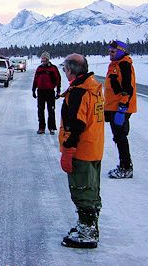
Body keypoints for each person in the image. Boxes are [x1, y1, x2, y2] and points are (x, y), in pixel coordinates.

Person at [59, 53, 104, 249]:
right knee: (92, 191)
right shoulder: (93, 87)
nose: (64, 72)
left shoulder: (79, 92)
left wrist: (68, 150)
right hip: (94, 148)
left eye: (65, 69)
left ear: (71, 70)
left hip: (81, 151)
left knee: (82, 191)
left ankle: (87, 232)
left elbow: (76, 124)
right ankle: (89, 226)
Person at [104, 40, 137, 179]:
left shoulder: (124, 64)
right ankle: (124, 165)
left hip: (120, 108)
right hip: (113, 106)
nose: (110, 54)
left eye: (113, 51)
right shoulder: (115, 64)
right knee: (118, 137)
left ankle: (126, 168)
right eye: (109, 51)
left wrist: (122, 108)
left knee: (120, 136)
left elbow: (127, 88)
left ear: (120, 51)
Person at [32, 52, 61, 134]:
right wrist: (33, 90)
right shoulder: (39, 68)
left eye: (44, 59)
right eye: (42, 59)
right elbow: (35, 79)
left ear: (48, 59)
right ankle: (41, 128)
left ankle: (51, 128)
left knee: (51, 110)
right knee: (40, 110)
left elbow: (58, 80)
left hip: (50, 92)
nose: (43, 60)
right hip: (41, 92)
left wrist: (58, 91)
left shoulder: (53, 68)